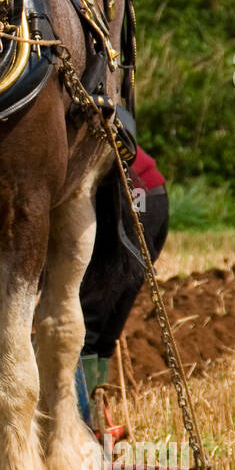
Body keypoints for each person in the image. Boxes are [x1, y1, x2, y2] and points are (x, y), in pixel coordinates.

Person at [77, 147, 169, 430]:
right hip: (153, 197)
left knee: (84, 325)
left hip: (125, 197)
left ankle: (81, 421)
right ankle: (92, 413)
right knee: (102, 329)